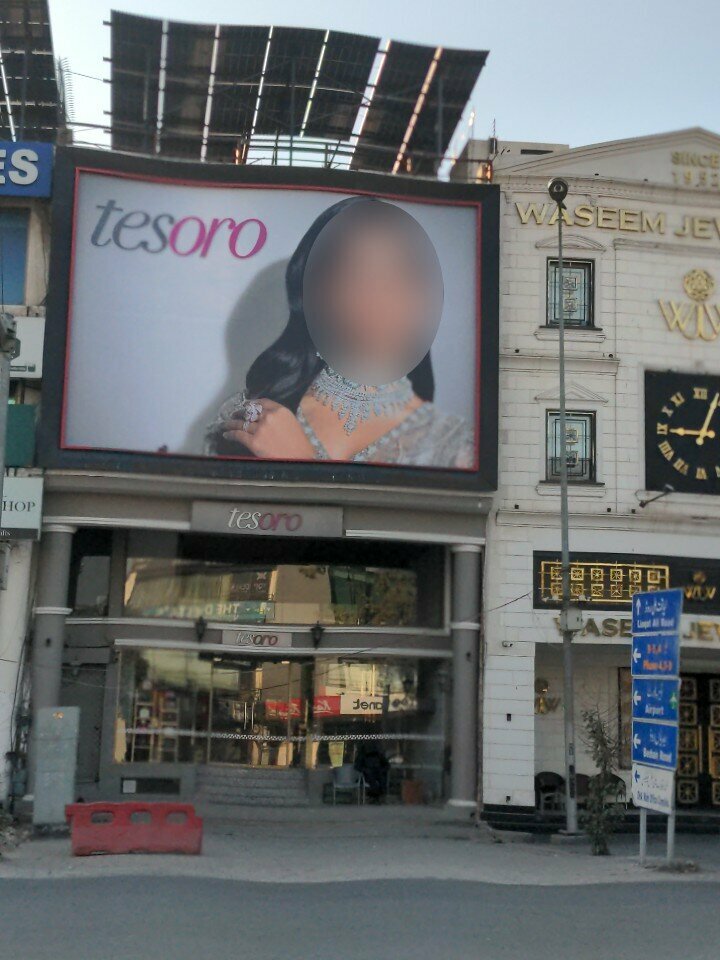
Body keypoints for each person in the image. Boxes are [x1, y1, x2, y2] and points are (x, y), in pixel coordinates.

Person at [206, 196, 474, 468]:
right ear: (315, 293)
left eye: (395, 278)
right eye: (354, 275)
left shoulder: (456, 447)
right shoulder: (255, 415)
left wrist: (302, 464)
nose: (375, 300)